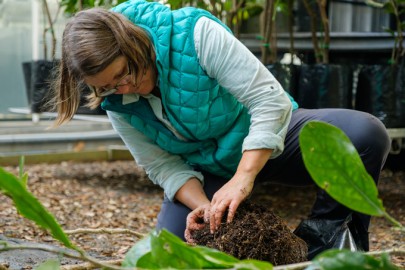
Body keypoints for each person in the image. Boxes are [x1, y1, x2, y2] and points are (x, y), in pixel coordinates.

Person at [51, 0, 391, 259]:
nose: (122, 89)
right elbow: (161, 165)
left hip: (269, 139)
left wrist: (243, 178)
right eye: (108, 86)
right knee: (173, 253)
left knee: (364, 134)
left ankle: (321, 242)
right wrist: (204, 206)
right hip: (209, 170)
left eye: (123, 74)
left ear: (132, 43)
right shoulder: (115, 101)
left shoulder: (192, 35)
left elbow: (269, 101)